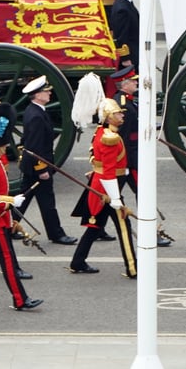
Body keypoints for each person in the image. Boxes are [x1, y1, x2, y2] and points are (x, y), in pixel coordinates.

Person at [0, 103, 44, 311]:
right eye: (3, 144)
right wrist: (12, 201)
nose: (6, 147)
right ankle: (20, 299)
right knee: (7, 262)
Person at [69, 98, 137, 278]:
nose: (122, 115)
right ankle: (132, 268)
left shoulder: (102, 132)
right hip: (108, 190)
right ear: (108, 117)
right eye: (117, 113)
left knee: (95, 226)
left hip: (103, 186)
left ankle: (77, 262)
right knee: (123, 226)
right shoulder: (110, 138)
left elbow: (96, 159)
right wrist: (115, 199)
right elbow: (108, 172)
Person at [110, 66, 171, 247]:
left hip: (129, 157)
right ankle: (152, 233)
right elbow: (123, 137)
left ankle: (95, 226)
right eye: (133, 81)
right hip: (129, 158)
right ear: (125, 84)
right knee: (144, 195)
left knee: (110, 196)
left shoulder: (126, 100)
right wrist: (128, 163)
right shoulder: (122, 104)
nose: (137, 83)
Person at [18, 75, 77, 245]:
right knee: (47, 203)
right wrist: (42, 169)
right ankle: (56, 234)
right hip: (37, 168)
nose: (49, 93)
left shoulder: (35, 111)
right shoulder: (36, 116)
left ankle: (9, 225)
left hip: (31, 167)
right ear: (37, 95)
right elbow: (35, 147)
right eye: (46, 91)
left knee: (24, 198)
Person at [109, 0, 139, 71]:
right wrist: (125, 58)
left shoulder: (126, 3)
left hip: (133, 51)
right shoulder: (122, 8)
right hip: (130, 55)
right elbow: (121, 35)